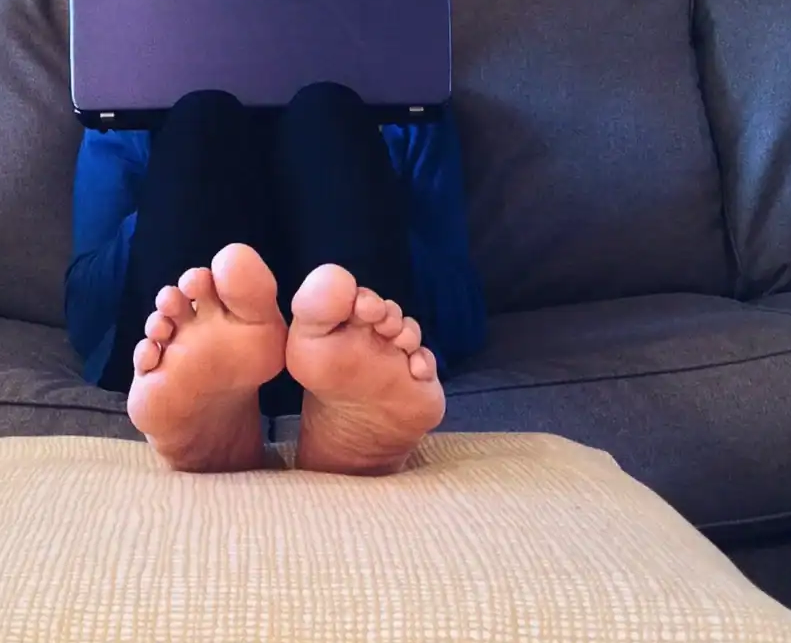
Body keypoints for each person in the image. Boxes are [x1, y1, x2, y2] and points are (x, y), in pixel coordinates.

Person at [67, 81, 485, 476]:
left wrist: (370, 208)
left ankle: (343, 402)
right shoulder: (125, 97)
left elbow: (460, 315)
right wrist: (169, 206)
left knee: (327, 113)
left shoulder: (408, 93)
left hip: (352, 349)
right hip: (189, 351)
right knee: (204, 118)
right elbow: (88, 313)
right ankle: (212, 407)